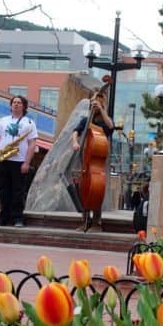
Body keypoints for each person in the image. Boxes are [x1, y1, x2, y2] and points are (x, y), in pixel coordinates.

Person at [0, 95, 38, 227]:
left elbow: (32, 144)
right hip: (3, 159)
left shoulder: (29, 123)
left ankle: (17, 218)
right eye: (14, 102)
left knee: (18, 190)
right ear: (11, 106)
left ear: (24, 106)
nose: (16, 104)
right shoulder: (3, 121)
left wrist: (27, 163)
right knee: (3, 190)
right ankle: (2, 218)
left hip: (19, 161)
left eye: (19, 102)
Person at [71, 91, 114, 232]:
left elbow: (111, 126)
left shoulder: (104, 120)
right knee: (85, 188)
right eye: (93, 104)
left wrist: (101, 109)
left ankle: (96, 222)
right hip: (87, 158)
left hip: (100, 159)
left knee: (97, 189)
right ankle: (84, 220)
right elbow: (76, 131)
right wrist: (75, 142)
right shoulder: (86, 119)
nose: (94, 106)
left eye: (98, 104)